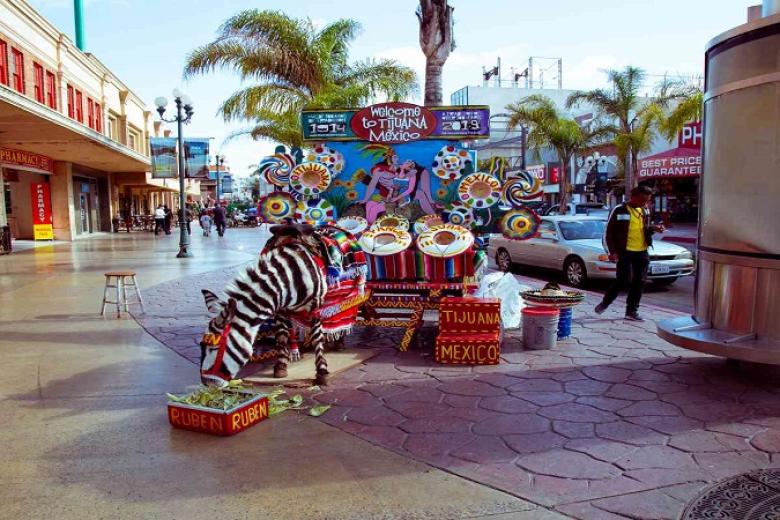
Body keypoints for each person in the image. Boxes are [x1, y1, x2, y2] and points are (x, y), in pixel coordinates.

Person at [595, 185, 664, 321]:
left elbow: (644, 228)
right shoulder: (619, 210)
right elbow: (608, 232)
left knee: (640, 282)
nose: (645, 203)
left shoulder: (644, 210)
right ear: (633, 197)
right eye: (642, 200)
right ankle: (605, 302)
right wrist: (612, 252)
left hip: (642, 251)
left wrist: (654, 229)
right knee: (623, 281)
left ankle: (631, 311)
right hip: (625, 252)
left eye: (647, 201)